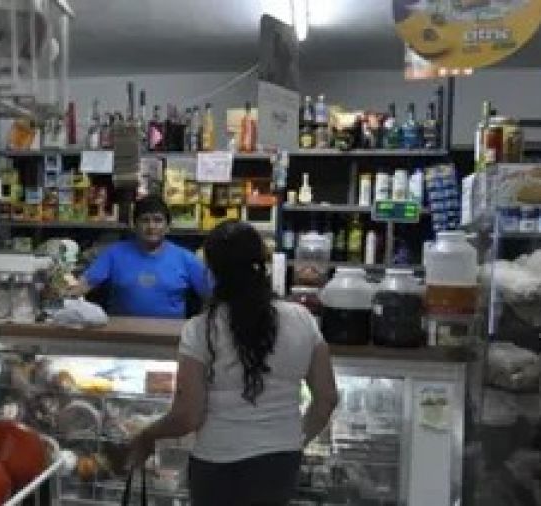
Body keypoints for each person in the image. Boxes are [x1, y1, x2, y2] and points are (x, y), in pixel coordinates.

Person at [127, 220, 338, 506]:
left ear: (213, 272)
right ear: (261, 264)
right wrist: (294, 440)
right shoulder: (302, 319)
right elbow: (326, 399)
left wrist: (147, 436)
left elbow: (188, 416)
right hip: (280, 465)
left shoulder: (201, 329)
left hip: (218, 465)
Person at [67, 195, 211, 318]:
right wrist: (63, 289)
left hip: (171, 336)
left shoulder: (186, 259)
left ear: (168, 226)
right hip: (121, 334)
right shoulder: (114, 253)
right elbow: (84, 284)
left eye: (158, 220)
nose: (151, 226)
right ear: (134, 225)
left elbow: (212, 297)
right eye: (145, 220)